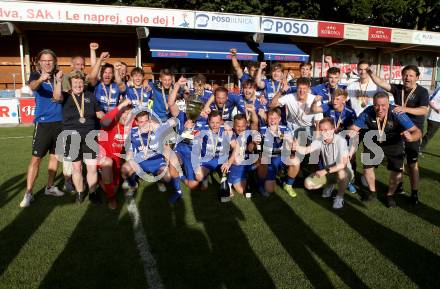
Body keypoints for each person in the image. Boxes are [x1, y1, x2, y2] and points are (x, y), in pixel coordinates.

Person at [367, 65, 429, 203]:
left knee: (412, 164)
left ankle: (414, 193)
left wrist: (404, 109)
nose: (408, 78)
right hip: (397, 130)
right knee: (397, 162)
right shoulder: (398, 89)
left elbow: (424, 110)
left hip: (413, 131)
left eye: (411, 75)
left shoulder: (422, 92)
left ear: (417, 77)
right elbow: (381, 83)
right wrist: (370, 72)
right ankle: (398, 187)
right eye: (405, 75)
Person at [350, 92, 421, 208]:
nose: (380, 108)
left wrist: (411, 137)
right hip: (373, 141)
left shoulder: (396, 112)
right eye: (377, 105)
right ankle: (372, 192)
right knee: (367, 168)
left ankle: (390, 195)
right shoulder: (368, 111)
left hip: (393, 143)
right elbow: (354, 128)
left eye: (383, 105)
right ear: (373, 105)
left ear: (389, 104)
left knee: (397, 171)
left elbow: (417, 131)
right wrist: (352, 132)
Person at [20, 49, 64, 208]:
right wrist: (40, 79)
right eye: (44, 60)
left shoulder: (59, 75)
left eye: (50, 60)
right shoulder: (34, 75)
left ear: (54, 62)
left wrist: (58, 81)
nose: (47, 63)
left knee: (55, 156)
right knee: (36, 159)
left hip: (59, 122)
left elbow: (58, 98)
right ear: (39, 62)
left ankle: (50, 187)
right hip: (43, 123)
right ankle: (29, 193)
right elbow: (32, 86)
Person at [53, 71, 105, 203]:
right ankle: (80, 192)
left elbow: (99, 112)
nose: (78, 84)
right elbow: (56, 97)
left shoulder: (90, 96)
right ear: (70, 84)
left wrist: (107, 116)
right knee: (77, 167)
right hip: (72, 137)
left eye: (80, 82)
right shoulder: (65, 96)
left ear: (84, 83)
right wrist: (58, 81)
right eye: (75, 82)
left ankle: (92, 193)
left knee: (92, 167)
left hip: (90, 137)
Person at [122, 111, 182, 204]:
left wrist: (158, 125)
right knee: (125, 168)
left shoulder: (157, 129)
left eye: (146, 121)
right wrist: (129, 158)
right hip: (141, 161)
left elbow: (175, 120)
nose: (145, 124)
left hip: (157, 161)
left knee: (167, 177)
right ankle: (133, 184)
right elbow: (129, 149)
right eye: (141, 122)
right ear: (136, 123)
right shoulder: (132, 132)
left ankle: (160, 180)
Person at [294, 118, 353, 209]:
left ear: (333, 129)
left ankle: (339, 197)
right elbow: (306, 150)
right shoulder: (319, 140)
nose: (323, 132)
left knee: (341, 172)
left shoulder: (341, 141)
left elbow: (343, 164)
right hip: (328, 172)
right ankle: (330, 184)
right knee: (308, 184)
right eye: (321, 130)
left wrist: (325, 171)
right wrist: (297, 147)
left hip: (344, 172)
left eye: (326, 130)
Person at [311, 88, 357, 193]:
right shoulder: (328, 106)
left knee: (346, 161)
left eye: (337, 99)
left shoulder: (350, 112)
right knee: (323, 160)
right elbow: (314, 110)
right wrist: (314, 101)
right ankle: (329, 183)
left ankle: (349, 182)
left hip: (343, 141)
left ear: (344, 100)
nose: (334, 101)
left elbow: (354, 131)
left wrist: (351, 149)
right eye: (333, 98)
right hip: (328, 139)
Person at [98, 99, 133, 209]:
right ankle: (111, 199)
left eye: (128, 114)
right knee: (108, 165)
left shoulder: (130, 125)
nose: (126, 116)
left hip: (116, 161)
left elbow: (145, 122)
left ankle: (100, 180)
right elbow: (103, 121)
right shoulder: (111, 123)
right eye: (123, 112)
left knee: (115, 186)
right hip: (102, 159)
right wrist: (121, 105)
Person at [257, 108, 298, 198]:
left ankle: (288, 184)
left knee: (296, 161)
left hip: (282, 156)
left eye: (275, 118)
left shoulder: (284, 128)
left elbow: (291, 141)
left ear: (279, 119)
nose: (272, 120)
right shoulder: (263, 129)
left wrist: (280, 135)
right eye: (270, 118)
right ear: (267, 119)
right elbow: (257, 142)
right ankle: (261, 184)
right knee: (269, 189)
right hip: (269, 158)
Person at [270, 77, 322, 142]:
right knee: (281, 138)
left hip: (308, 127)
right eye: (299, 88)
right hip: (292, 127)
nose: (301, 91)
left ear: (308, 89)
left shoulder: (314, 99)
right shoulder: (290, 97)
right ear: (296, 88)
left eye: (304, 88)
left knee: (310, 146)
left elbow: (318, 122)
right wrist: (281, 91)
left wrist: (316, 139)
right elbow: (272, 105)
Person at [194, 111, 235, 190]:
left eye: (217, 122)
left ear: (221, 122)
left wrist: (229, 163)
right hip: (207, 160)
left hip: (222, 159)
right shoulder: (202, 129)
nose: (215, 125)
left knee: (236, 158)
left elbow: (236, 148)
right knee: (198, 177)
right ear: (208, 121)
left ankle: (229, 183)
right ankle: (205, 176)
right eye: (212, 122)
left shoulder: (226, 130)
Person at [228, 113, 259, 197]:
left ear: (246, 125)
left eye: (243, 126)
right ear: (233, 125)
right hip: (234, 163)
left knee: (261, 162)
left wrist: (253, 142)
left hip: (245, 161)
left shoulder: (249, 132)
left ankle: (255, 179)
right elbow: (235, 151)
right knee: (242, 191)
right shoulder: (230, 133)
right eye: (238, 126)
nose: (241, 129)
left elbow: (249, 149)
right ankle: (228, 183)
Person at [421, 85, 440, 151]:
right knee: (429, 135)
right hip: (434, 117)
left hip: (437, 118)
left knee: (429, 135)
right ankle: (418, 148)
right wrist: (436, 109)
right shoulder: (439, 90)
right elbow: (429, 100)